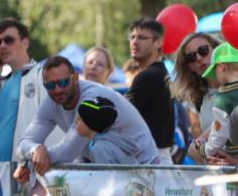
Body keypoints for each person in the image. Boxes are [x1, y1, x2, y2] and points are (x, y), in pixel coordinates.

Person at [14, 55, 159, 181]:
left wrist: (33, 162)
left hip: (146, 168)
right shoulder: (50, 103)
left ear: (76, 78)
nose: (57, 89)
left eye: (63, 82)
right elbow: (23, 144)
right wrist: (35, 150)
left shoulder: (91, 98)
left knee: (100, 148)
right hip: (116, 165)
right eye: (50, 85)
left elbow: (67, 152)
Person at [0, 18, 51, 162]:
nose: (2, 46)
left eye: (8, 40)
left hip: (26, 172)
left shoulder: (41, 76)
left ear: (25, 43)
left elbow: (52, 125)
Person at [126, 18, 174, 162]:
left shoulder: (149, 76)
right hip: (156, 157)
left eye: (141, 37)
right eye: (132, 37)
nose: (134, 42)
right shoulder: (160, 72)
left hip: (149, 160)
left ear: (158, 42)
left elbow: (119, 114)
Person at [199, 43, 238, 163]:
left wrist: (206, 149)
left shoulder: (223, 98)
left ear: (221, 67)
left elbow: (220, 133)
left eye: (214, 72)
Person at [73, 96, 149, 165]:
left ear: (90, 123)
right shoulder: (112, 140)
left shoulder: (100, 149)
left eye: (80, 119)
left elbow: (105, 178)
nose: (75, 122)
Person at [172, 32, 219, 140]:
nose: (198, 58)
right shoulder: (196, 97)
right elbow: (196, 129)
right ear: (189, 67)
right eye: (191, 57)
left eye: (203, 50)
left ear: (217, 49)